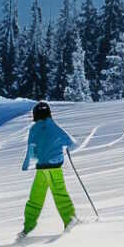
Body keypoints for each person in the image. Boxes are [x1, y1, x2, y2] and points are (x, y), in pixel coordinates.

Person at [18, 102, 80, 238]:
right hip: (55, 167)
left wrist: (27, 164)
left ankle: (27, 227)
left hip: (41, 169)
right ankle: (70, 220)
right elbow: (72, 143)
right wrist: (62, 149)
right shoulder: (54, 127)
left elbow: (31, 150)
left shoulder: (34, 129)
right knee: (60, 194)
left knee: (35, 197)